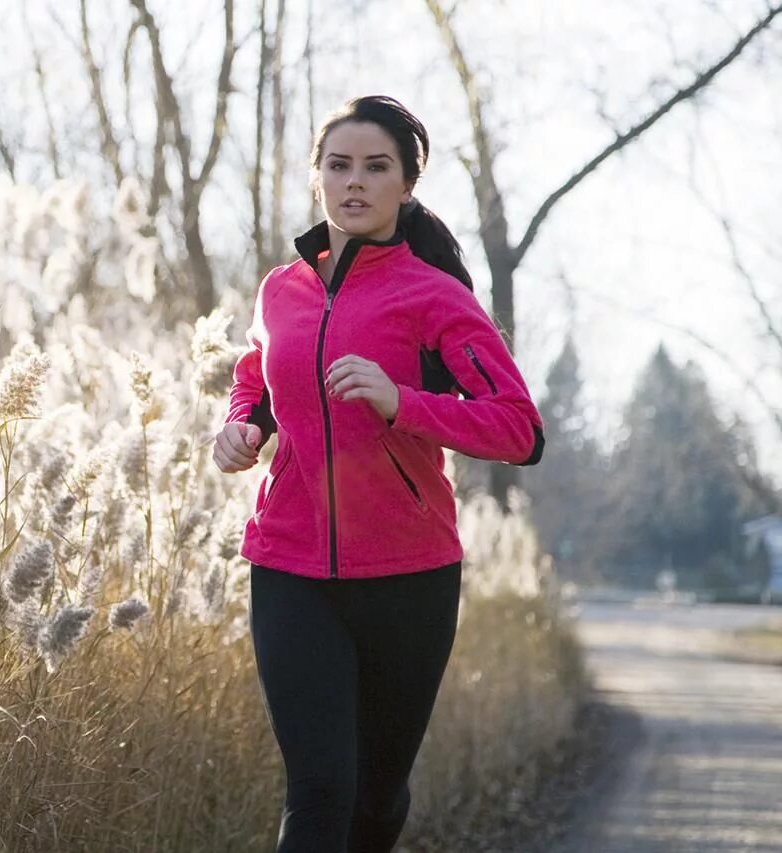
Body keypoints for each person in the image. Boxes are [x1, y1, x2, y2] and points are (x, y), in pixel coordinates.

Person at [212, 95, 544, 853]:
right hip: (289, 564)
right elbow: (258, 376)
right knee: (320, 786)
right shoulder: (280, 290)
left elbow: (520, 429)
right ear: (317, 178)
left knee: (376, 794)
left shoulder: (435, 298)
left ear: (406, 186)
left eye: (375, 167)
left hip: (409, 576)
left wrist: (406, 403)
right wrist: (243, 426)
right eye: (338, 166)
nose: (354, 182)